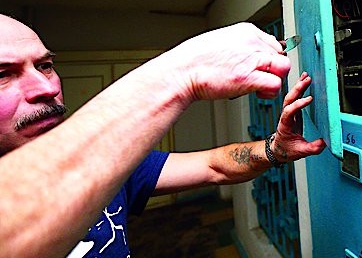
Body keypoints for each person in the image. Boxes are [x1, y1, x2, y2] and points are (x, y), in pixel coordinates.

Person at [0, 14, 326, 258]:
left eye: (45, 65)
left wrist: (275, 148)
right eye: (3, 74)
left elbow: (215, 166)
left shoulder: (107, 163)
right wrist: (183, 72)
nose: (45, 87)